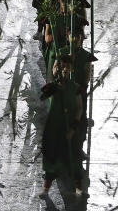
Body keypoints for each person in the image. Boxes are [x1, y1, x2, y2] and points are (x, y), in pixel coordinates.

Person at [40, 55, 88, 197]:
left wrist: (73, 128)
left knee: (74, 158)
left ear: (71, 68)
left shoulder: (75, 88)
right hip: (54, 128)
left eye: (67, 67)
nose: (64, 69)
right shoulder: (52, 86)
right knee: (51, 158)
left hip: (69, 130)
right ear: (55, 69)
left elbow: (79, 108)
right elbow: (43, 96)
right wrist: (55, 86)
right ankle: (45, 189)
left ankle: (78, 188)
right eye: (60, 67)